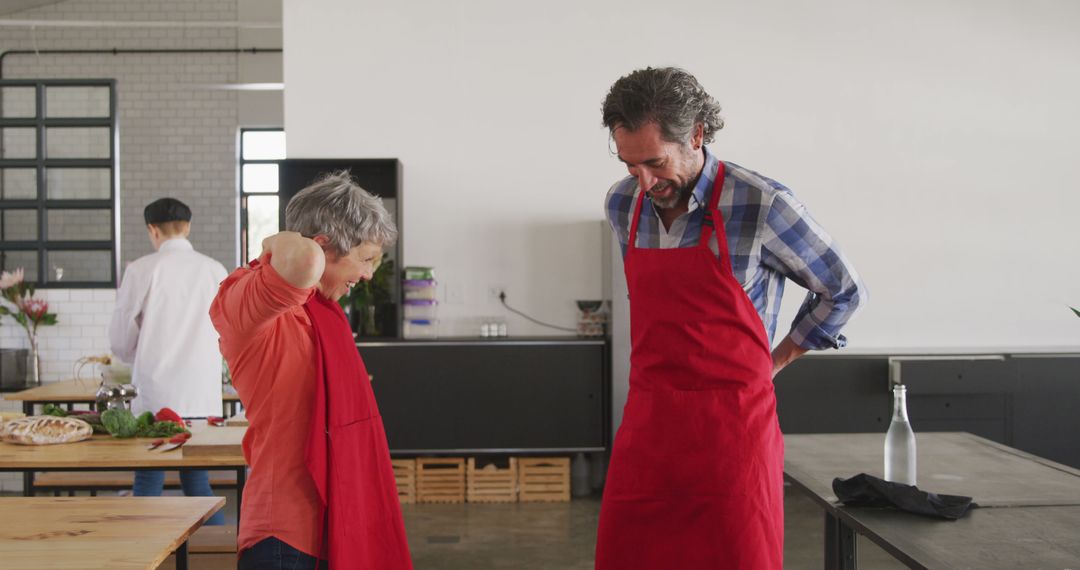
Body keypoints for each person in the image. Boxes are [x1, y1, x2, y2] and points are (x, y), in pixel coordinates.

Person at [595, 67, 866, 568]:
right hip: (649, 429)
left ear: (696, 135)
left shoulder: (762, 205)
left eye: (655, 162)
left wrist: (777, 360)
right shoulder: (621, 203)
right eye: (631, 165)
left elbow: (844, 291)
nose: (645, 182)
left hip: (733, 437)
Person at [210, 171, 412, 570]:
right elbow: (302, 260)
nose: (369, 274)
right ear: (322, 246)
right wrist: (275, 240)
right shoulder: (251, 305)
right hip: (284, 537)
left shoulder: (323, 314)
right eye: (366, 258)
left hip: (336, 524)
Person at [108, 197, 228, 525]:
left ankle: (142, 553)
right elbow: (227, 329)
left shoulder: (142, 269)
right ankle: (215, 554)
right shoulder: (215, 269)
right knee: (198, 483)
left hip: (155, 393)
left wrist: (138, 353)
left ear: (152, 230)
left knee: (147, 482)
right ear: (187, 227)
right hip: (201, 393)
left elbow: (120, 337)